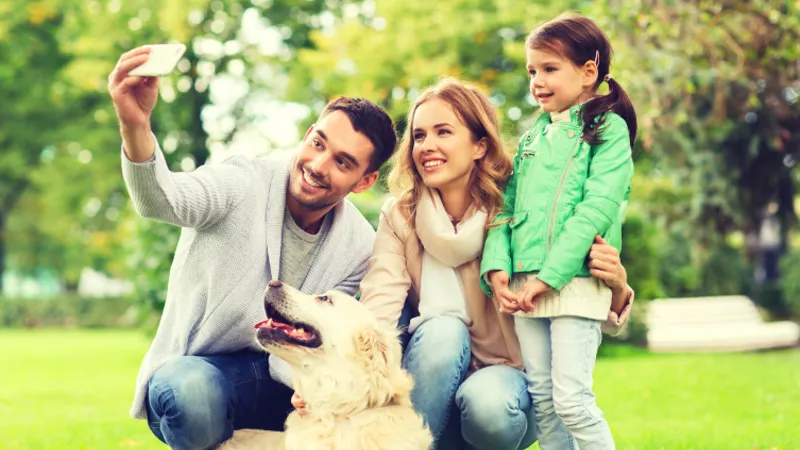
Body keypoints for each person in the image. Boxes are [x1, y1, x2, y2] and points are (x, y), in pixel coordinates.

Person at [107, 46, 397, 450]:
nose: (317, 164)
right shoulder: (242, 182)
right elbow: (162, 199)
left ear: (365, 181)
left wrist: (311, 384)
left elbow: (321, 340)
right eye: (317, 143)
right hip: (201, 374)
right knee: (193, 391)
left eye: (343, 162)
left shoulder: (358, 248)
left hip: (286, 385)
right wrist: (134, 126)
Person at [355, 77, 634, 450]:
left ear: (479, 144)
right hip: (428, 387)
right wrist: (355, 375)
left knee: (489, 405)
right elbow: (380, 305)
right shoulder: (400, 216)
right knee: (442, 332)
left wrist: (617, 285)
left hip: (510, 383)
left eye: (443, 132)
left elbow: (576, 294)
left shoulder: (518, 210)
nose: (428, 146)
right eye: (419, 136)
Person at [481, 13, 637, 450]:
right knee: (545, 402)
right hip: (523, 284)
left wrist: (550, 276)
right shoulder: (533, 136)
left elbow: (595, 210)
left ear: (589, 71)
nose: (537, 80)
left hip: (576, 281)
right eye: (532, 70)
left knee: (572, 400)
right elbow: (505, 209)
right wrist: (497, 267)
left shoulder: (609, 129)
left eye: (550, 69)